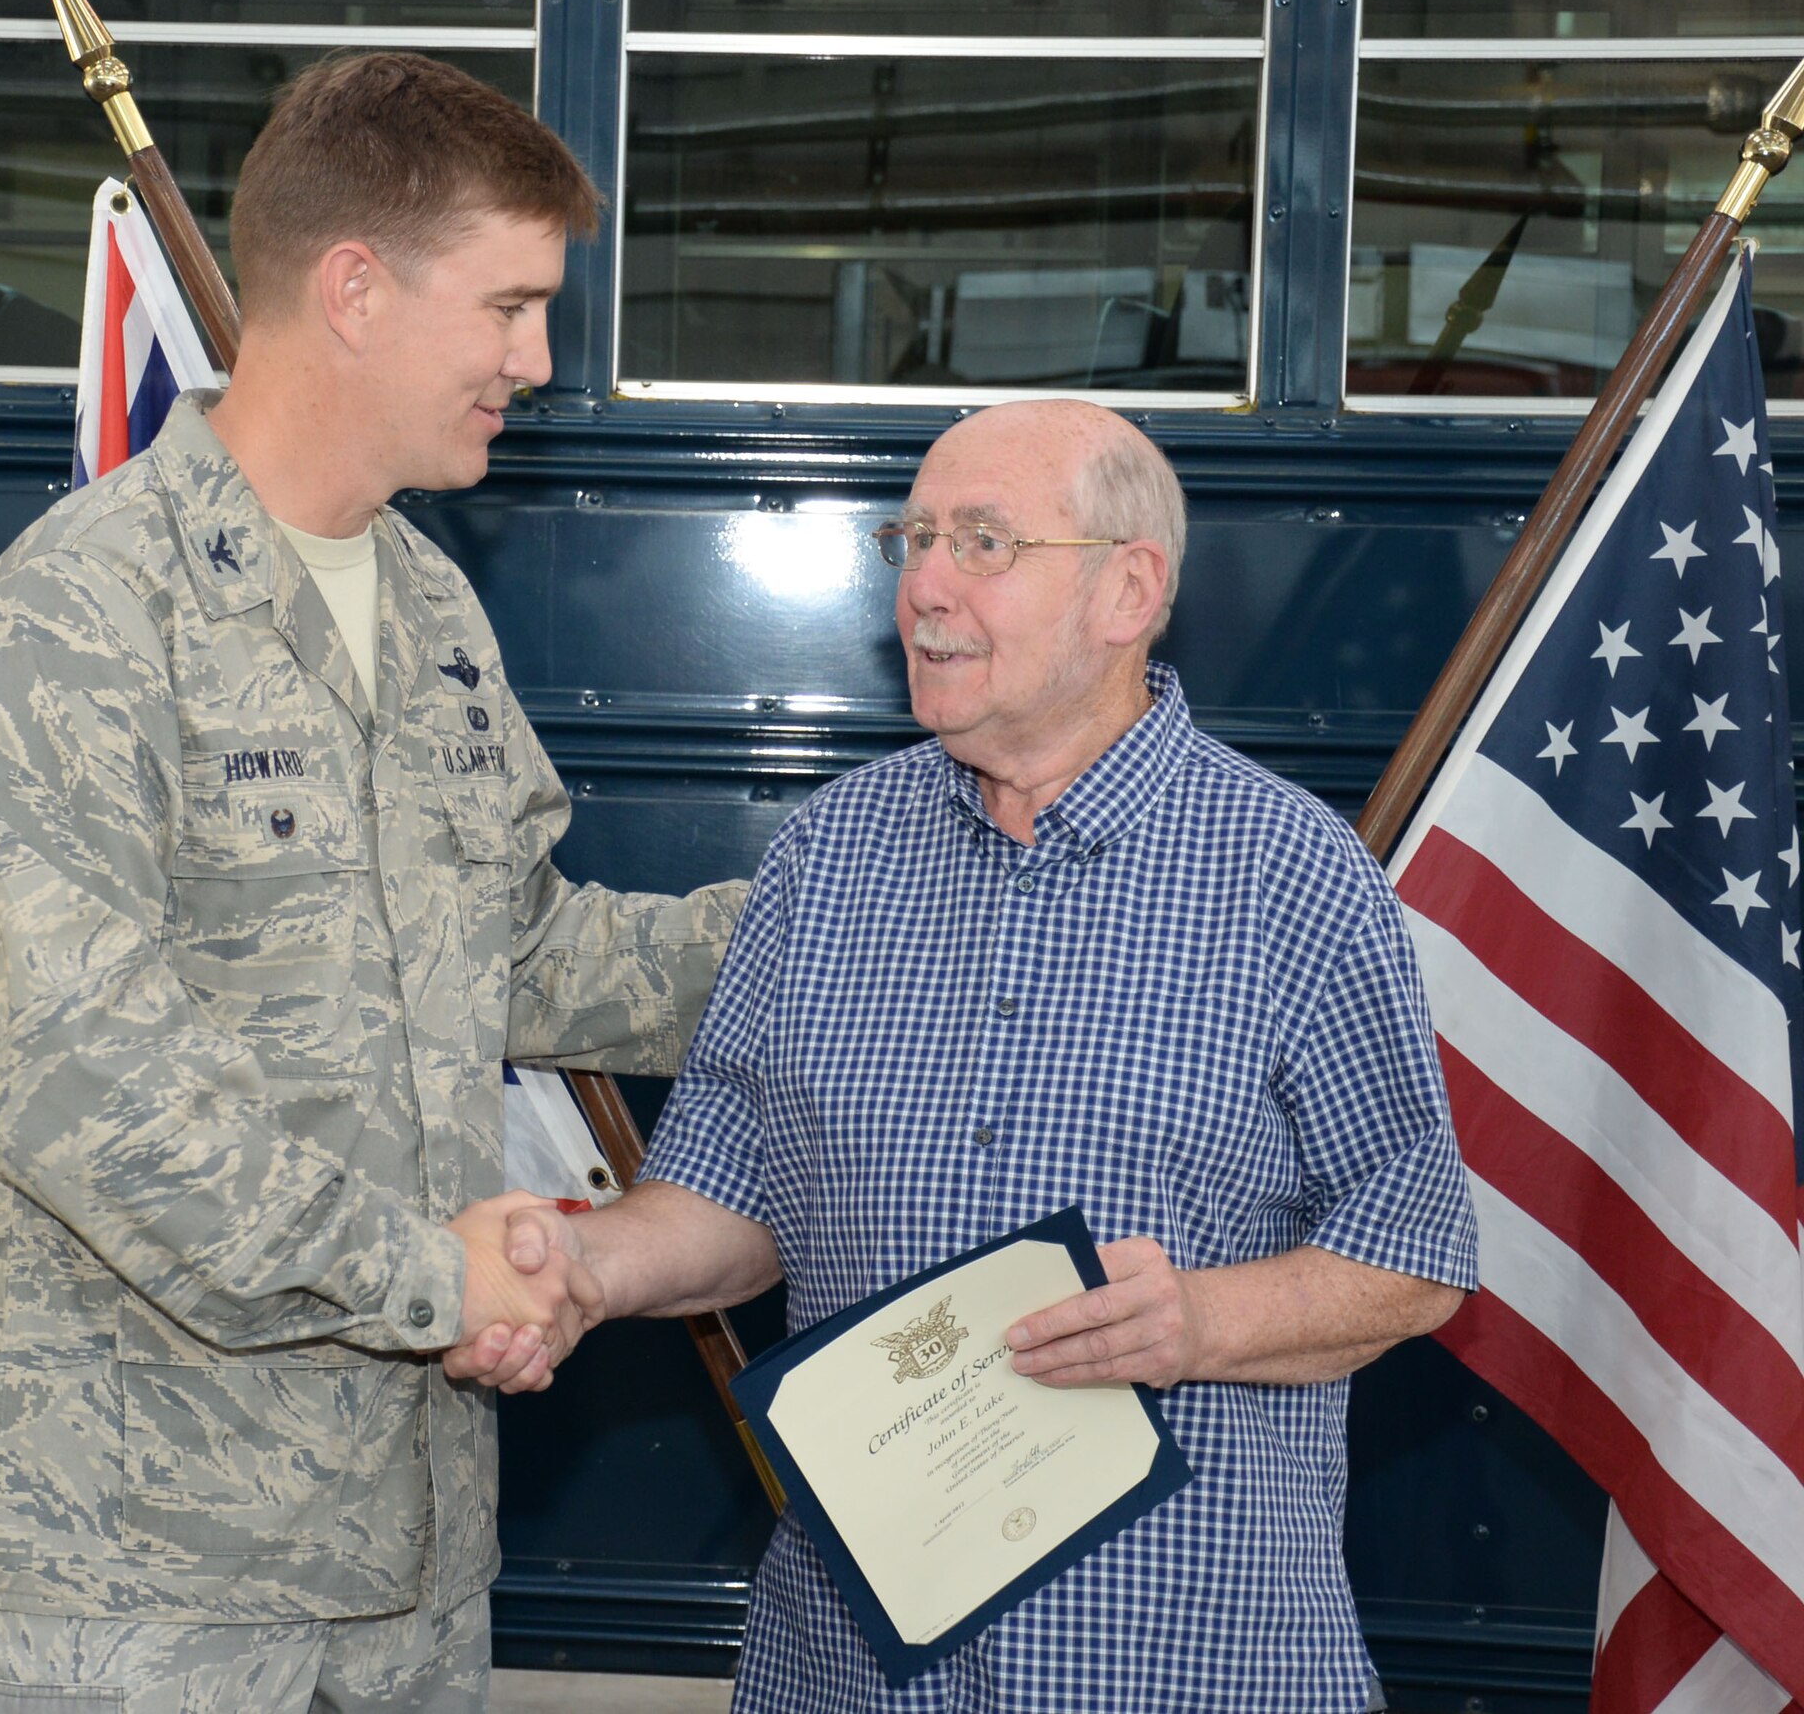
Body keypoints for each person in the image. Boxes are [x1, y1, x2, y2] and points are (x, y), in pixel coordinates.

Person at [0, 53, 742, 1714]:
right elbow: (81, 1084)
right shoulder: (75, 620)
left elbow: (519, 954)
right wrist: (444, 1281)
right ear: (355, 288)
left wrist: (846, 932)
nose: (539, 360)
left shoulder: (431, 607)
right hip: (138, 1577)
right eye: (508, 304)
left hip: (412, 1560)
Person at [464, 399, 1479, 1712]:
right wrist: (582, 1270)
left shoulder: (1294, 881)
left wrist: (1198, 1320)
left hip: (1184, 1669)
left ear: (1129, 588)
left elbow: (1415, 1259)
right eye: (918, 538)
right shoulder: (827, 860)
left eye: (986, 542)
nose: (925, 586)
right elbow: (734, 1202)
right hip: (850, 1671)